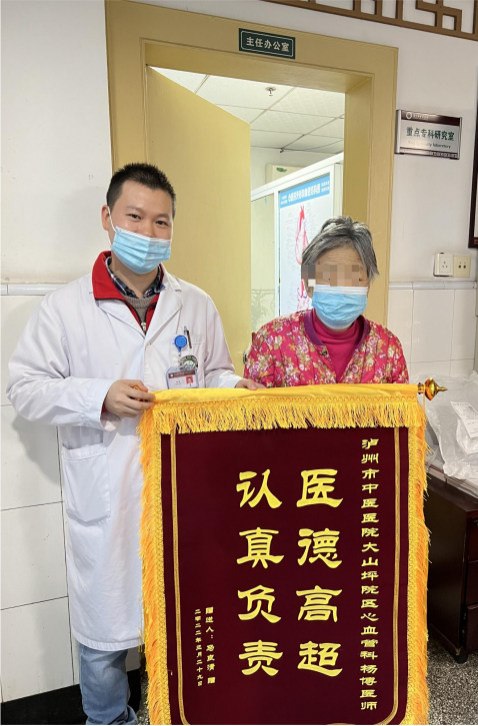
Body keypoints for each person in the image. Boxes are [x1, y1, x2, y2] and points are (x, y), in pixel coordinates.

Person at [7, 163, 260, 726]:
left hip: (184, 494)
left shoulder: (195, 304)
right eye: (136, 217)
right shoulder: (65, 308)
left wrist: (233, 387)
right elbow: (24, 388)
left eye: (161, 222)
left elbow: (213, 373)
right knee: (104, 635)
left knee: (181, 620)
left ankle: (177, 713)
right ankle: (107, 719)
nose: (148, 233)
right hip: (108, 493)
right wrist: (98, 396)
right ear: (108, 218)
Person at [244, 216, 409, 387]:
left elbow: (403, 403)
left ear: (367, 286)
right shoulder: (271, 341)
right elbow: (252, 403)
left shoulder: (388, 349)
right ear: (308, 284)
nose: (342, 287)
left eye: (354, 277)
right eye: (330, 276)